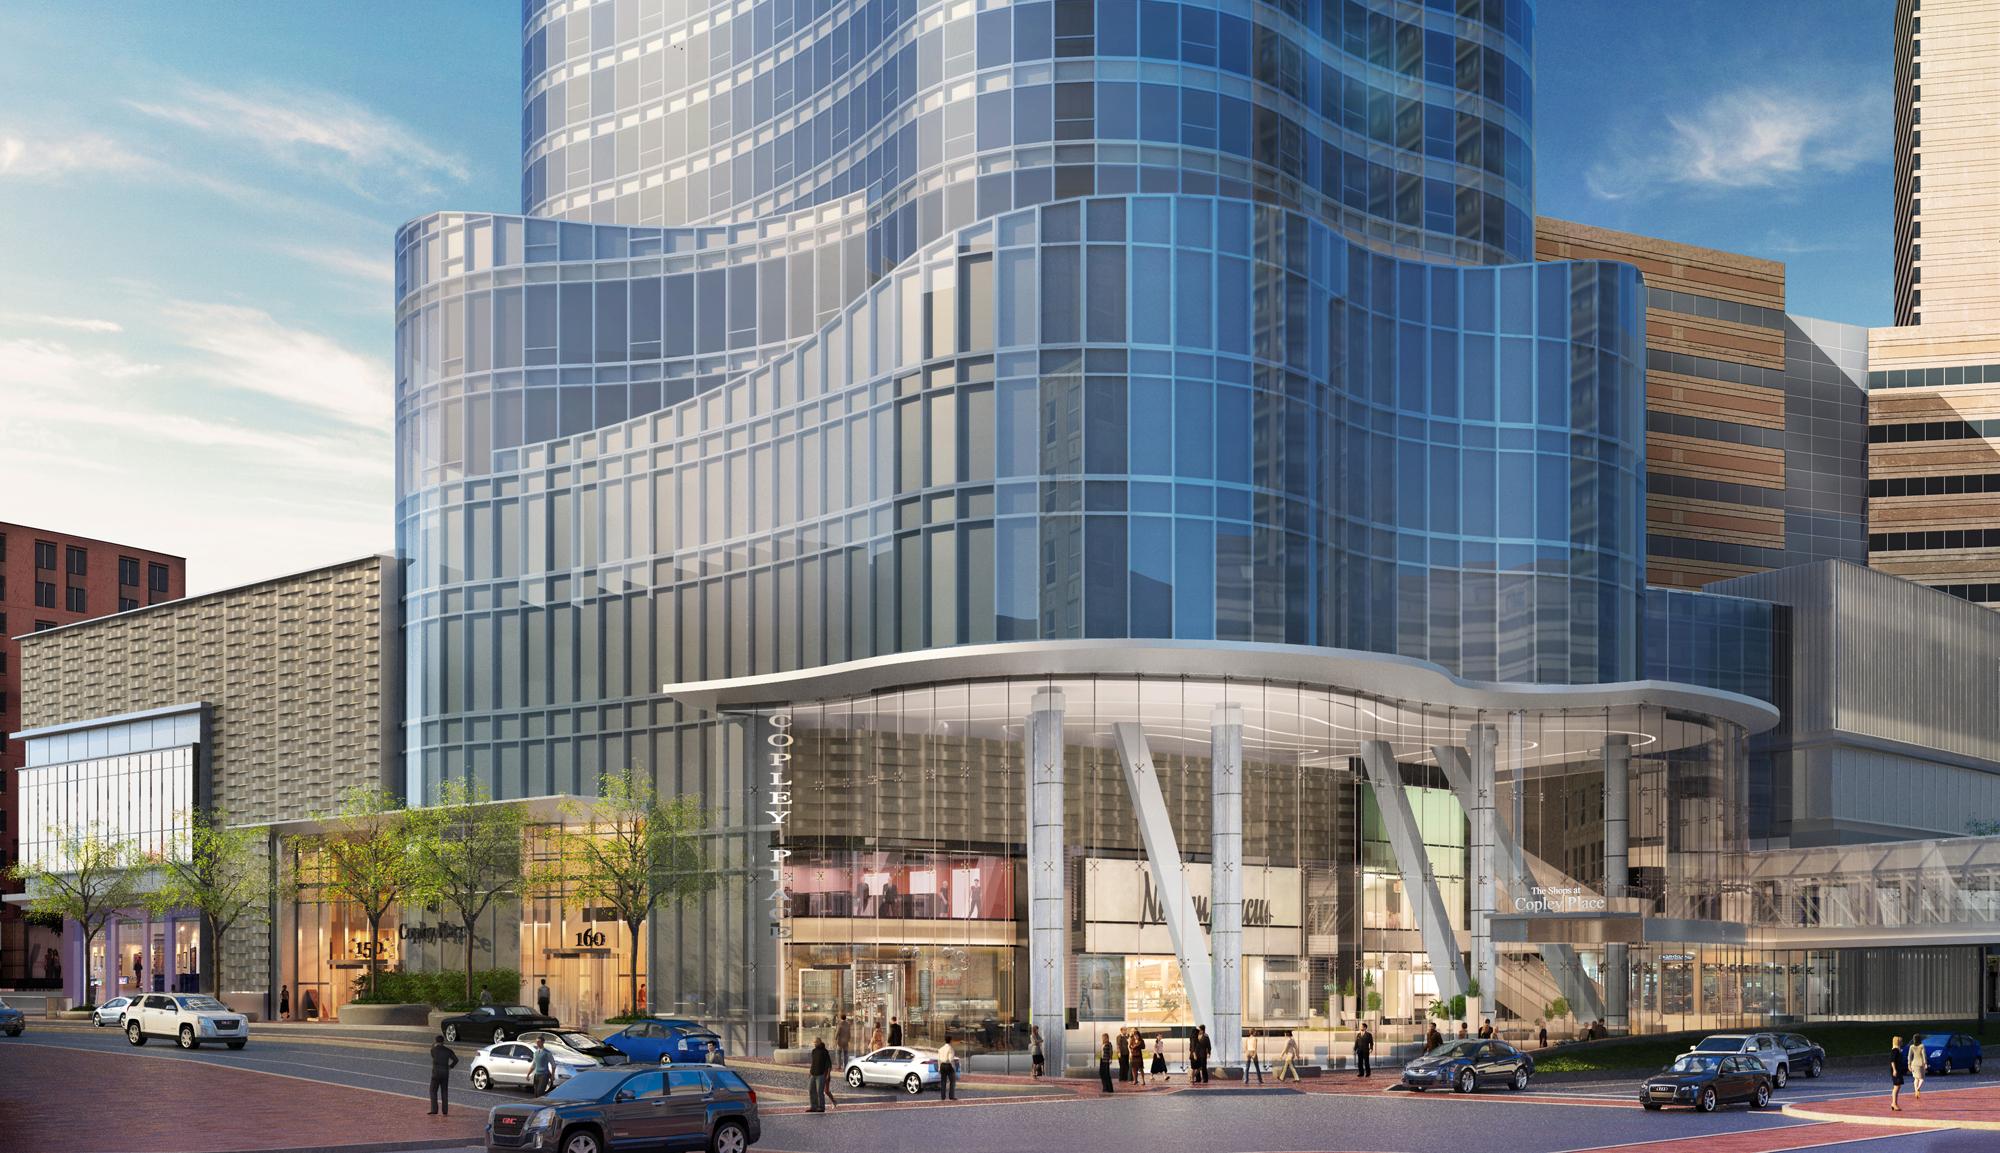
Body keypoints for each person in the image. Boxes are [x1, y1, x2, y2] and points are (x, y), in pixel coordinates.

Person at [427, 1034, 459, 1116]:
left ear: (436, 1041)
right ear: (443, 1041)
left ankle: (434, 1110)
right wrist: (450, 1066)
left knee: (433, 1091)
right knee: (444, 1092)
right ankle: (445, 1111)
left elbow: (432, 1054)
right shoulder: (448, 1050)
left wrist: (434, 1045)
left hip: (436, 1074)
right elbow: (456, 1060)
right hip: (445, 1073)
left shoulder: (433, 1050)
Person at [808, 1038, 833, 1112]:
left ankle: (821, 1107)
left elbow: (829, 1064)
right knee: (811, 1090)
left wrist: (828, 1074)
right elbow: (813, 1062)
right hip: (813, 1074)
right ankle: (813, 1106)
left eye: (816, 1042)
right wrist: (810, 1071)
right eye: (814, 1042)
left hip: (821, 1075)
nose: (814, 1044)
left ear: (819, 1042)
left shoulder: (825, 1052)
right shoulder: (814, 1051)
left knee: (819, 1091)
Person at [1890, 1035, 1909, 1112]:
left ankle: (1894, 1103)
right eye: (1900, 1041)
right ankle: (1894, 1103)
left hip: (1898, 1070)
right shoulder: (1895, 1050)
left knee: (1897, 1086)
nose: (1901, 1043)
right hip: (1896, 1070)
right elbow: (1892, 1061)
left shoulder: (1897, 1050)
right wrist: (1894, 1070)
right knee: (1896, 1087)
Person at [937, 1034, 958, 1101]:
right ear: (950, 1040)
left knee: (943, 1081)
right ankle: (951, 1096)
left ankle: (943, 1096)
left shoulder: (941, 1049)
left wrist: (939, 1067)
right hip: (948, 1065)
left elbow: (939, 1059)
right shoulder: (950, 1049)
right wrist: (953, 1067)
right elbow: (951, 1059)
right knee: (952, 1081)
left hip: (942, 1065)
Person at [1909, 1033, 1927, 1099]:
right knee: (1921, 1079)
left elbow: (1909, 1056)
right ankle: (1918, 1089)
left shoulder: (1911, 1047)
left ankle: (1915, 1090)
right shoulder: (1922, 1046)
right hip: (1920, 1064)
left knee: (1916, 1078)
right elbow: (1924, 1055)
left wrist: (1909, 1064)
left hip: (1914, 1064)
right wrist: (1925, 1063)